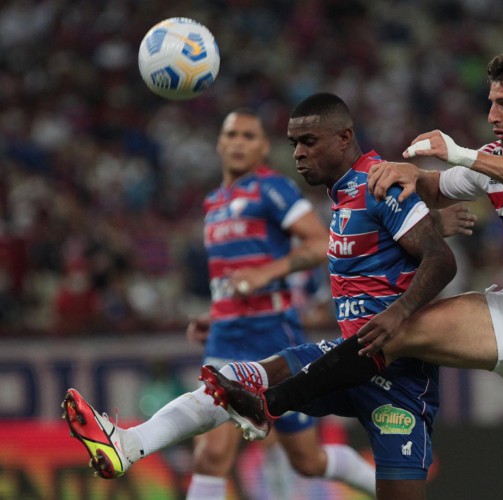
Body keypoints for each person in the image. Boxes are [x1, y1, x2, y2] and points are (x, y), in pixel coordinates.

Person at [207, 55, 503, 500]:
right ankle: (270, 404)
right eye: (491, 103)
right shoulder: (492, 161)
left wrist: (460, 154)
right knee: (393, 328)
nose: (492, 115)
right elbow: (437, 188)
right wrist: (410, 174)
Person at [63, 93, 461, 500]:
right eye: (294, 144)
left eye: (309, 141)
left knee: (313, 462)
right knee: (228, 386)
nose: (299, 154)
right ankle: (128, 445)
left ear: (344, 137)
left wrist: (400, 312)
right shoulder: (324, 196)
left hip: (398, 376)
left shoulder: (372, 182)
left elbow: (440, 260)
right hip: (345, 357)